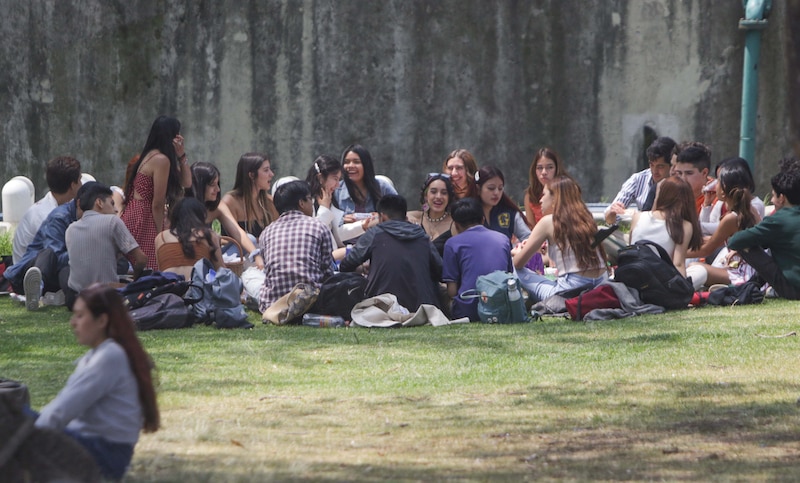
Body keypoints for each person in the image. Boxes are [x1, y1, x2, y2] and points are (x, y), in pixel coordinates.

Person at [33, 284, 159, 480]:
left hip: (101, 455)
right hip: (97, 448)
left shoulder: (109, 356)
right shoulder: (106, 353)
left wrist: (26, 431)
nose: (72, 323)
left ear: (102, 320)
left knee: (8, 412)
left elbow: (61, 410)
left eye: (80, 316)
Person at [3, 182, 101, 310]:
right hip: (30, 272)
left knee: (69, 267)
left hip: (58, 274)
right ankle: (35, 290)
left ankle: (75, 300)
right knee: (51, 255)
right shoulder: (59, 217)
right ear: (79, 205)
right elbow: (57, 255)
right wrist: (85, 255)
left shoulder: (97, 223)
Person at [340, 194, 443, 312]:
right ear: (405, 216)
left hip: (381, 306)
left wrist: (363, 268)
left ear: (382, 217)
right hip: (420, 307)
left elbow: (347, 264)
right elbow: (440, 270)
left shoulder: (375, 233)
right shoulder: (422, 237)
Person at [514, 175, 609, 302]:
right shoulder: (586, 219)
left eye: (544, 195)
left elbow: (518, 263)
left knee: (511, 266)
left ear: (555, 199)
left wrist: (516, 253)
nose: (540, 200)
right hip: (601, 285)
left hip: (570, 291)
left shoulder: (548, 222)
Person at [121, 116, 193, 269]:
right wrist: (160, 232)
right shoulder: (161, 160)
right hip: (144, 216)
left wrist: (181, 156)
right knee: (151, 265)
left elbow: (186, 182)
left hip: (136, 213)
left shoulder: (152, 155)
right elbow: (157, 203)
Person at [257, 180, 334, 314]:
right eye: (310, 199)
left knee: (249, 275)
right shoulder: (319, 226)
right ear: (301, 203)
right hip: (311, 302)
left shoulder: (267, 232)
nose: (312, 204)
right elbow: (327, 272)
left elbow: (269, 270)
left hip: (274, 304)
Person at [727, 159, 800, 299]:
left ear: (782, 198)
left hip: (794, 290)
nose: (772, 200)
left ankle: (752, 285)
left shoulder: (777, 220)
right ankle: (753, 285)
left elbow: (735, 241)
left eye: (773, 195)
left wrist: (759, 236)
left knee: (745, 245)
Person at [66, 183, 147, 309]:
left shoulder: (70, 229)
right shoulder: (112, 221)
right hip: (105, 296)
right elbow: (141, 259)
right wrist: (135, 280)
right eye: (112, 203)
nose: (115, 210)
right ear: (99, 202)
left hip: (75, 299)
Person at [686, 161, 762, 287]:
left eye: (718, 182)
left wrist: (677, 252)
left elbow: (707, 249)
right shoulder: (749, 209)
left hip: (743, 273)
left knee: (696, 267)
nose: (714, 186)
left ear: (723, 190)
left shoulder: (731, 218)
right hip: (749, 270)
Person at [442, 198, 513, 321]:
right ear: (483, 219)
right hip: (503, 308)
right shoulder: (503, 239)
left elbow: (452, 291)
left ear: (456, 225)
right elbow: (508, 275)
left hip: (467, 311)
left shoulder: (452, 244)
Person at [190, 162, 264, 269]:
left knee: (250, 238)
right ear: (200, 185)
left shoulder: (218, 206)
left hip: (213, 255)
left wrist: (256, 255)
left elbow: (237, 232)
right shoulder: (185, 206)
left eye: (217, 184)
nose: (218, 189)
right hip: (191, 256)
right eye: (212, 185)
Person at [12, 156, 82, 265]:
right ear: (73, 185)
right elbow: (57, 257)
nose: (81, 184)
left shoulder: (58, 208)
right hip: (30, 276)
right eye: (79, 180)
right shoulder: (46, 216)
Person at [629, 176, 702, 277]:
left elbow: (630, 249)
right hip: (660, 282)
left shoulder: (637, 216)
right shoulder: (684, 225)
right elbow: (678, 264)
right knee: (700, 271)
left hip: (631, 274)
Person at [305, 155, 375, 254]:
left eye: (339, 179)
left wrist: (363, 225)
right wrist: (324, 208)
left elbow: (337, 233)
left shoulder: (330, 199)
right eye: (335, 179)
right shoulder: (306, 201)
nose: (338, 185)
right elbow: (315, 235)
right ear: (320, 178)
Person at [604, 136, 677, 225]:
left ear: (672, 166)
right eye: (651, 165)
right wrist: (613, 213)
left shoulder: (680, 182)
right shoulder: (638, 179)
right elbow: (610, 216)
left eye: (660, 166)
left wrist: (636, 215)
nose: (654, 171)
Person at [154, 197, 224, 280]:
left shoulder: (161, 237)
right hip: (196, 289)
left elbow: (161, 269)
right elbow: (222, 272)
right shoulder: (208, 235)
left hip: (169, 288)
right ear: (200, 217)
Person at [221, 152, 279, 240]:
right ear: (252, 175)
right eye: (266, 170)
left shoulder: (270, 202)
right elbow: (225, 240)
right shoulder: (230, 201)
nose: (271, 174)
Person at [335, 144, 397, 219]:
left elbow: (399, 213)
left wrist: (381, 217)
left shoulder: (382, 187)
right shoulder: (336, 189)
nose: (350, 166)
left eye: (356, 162)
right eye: (347, 162)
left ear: (366, 165)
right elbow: (328, 222)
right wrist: (342, 220)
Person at [474, 166, 531, 242]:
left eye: (500, 188)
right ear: (478, 189)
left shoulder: (509, 213)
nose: (496, 193)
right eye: (491, 188)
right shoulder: (469, 213)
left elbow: (528, 237)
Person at [407, 173, 455, 241]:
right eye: (433, 192)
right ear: (426, 196)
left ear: (449, 197)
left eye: (444, 193)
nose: (438, 197)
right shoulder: (413, 217)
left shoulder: (455, 224)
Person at [524, 147, 564, 227]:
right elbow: (531, 227)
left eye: (550, 167)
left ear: (557, 169)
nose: (544, 172)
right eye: (539, 168)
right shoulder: (530, 195)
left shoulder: (566, 191)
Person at [672, 142, 712, 213]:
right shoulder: (671, 193)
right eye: (679, 173)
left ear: (704, 173)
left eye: (689, 173)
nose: (683, 178)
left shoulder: (717, 198)